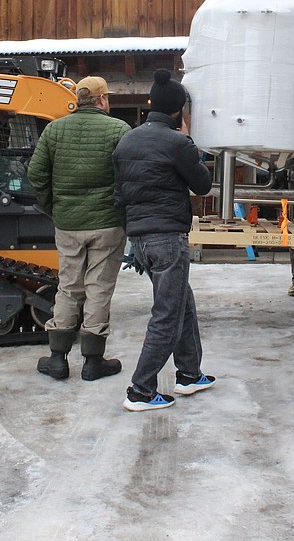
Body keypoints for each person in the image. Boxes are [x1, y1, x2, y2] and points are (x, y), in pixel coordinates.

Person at [113, 69, 214, 411]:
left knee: (182, 301)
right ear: (178, 111)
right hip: (167, 237)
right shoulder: (177, 142)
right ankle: (140, 390)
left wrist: (132, 233)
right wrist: (191, 145)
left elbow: (119, 193)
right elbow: (202, 185)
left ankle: (189, 374)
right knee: (167, 315)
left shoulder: (128, 139)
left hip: (141, 237)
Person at [27, 75, 131, 381]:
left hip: (68, 223)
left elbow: (36, 174)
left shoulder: (54, 129)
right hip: (107, 225)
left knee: (69, 286)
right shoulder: (119, 130)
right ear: (100, 100)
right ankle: (92, 362)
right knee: (99, 288)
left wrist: (53, 207)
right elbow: (129, 177)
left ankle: (57, 359)